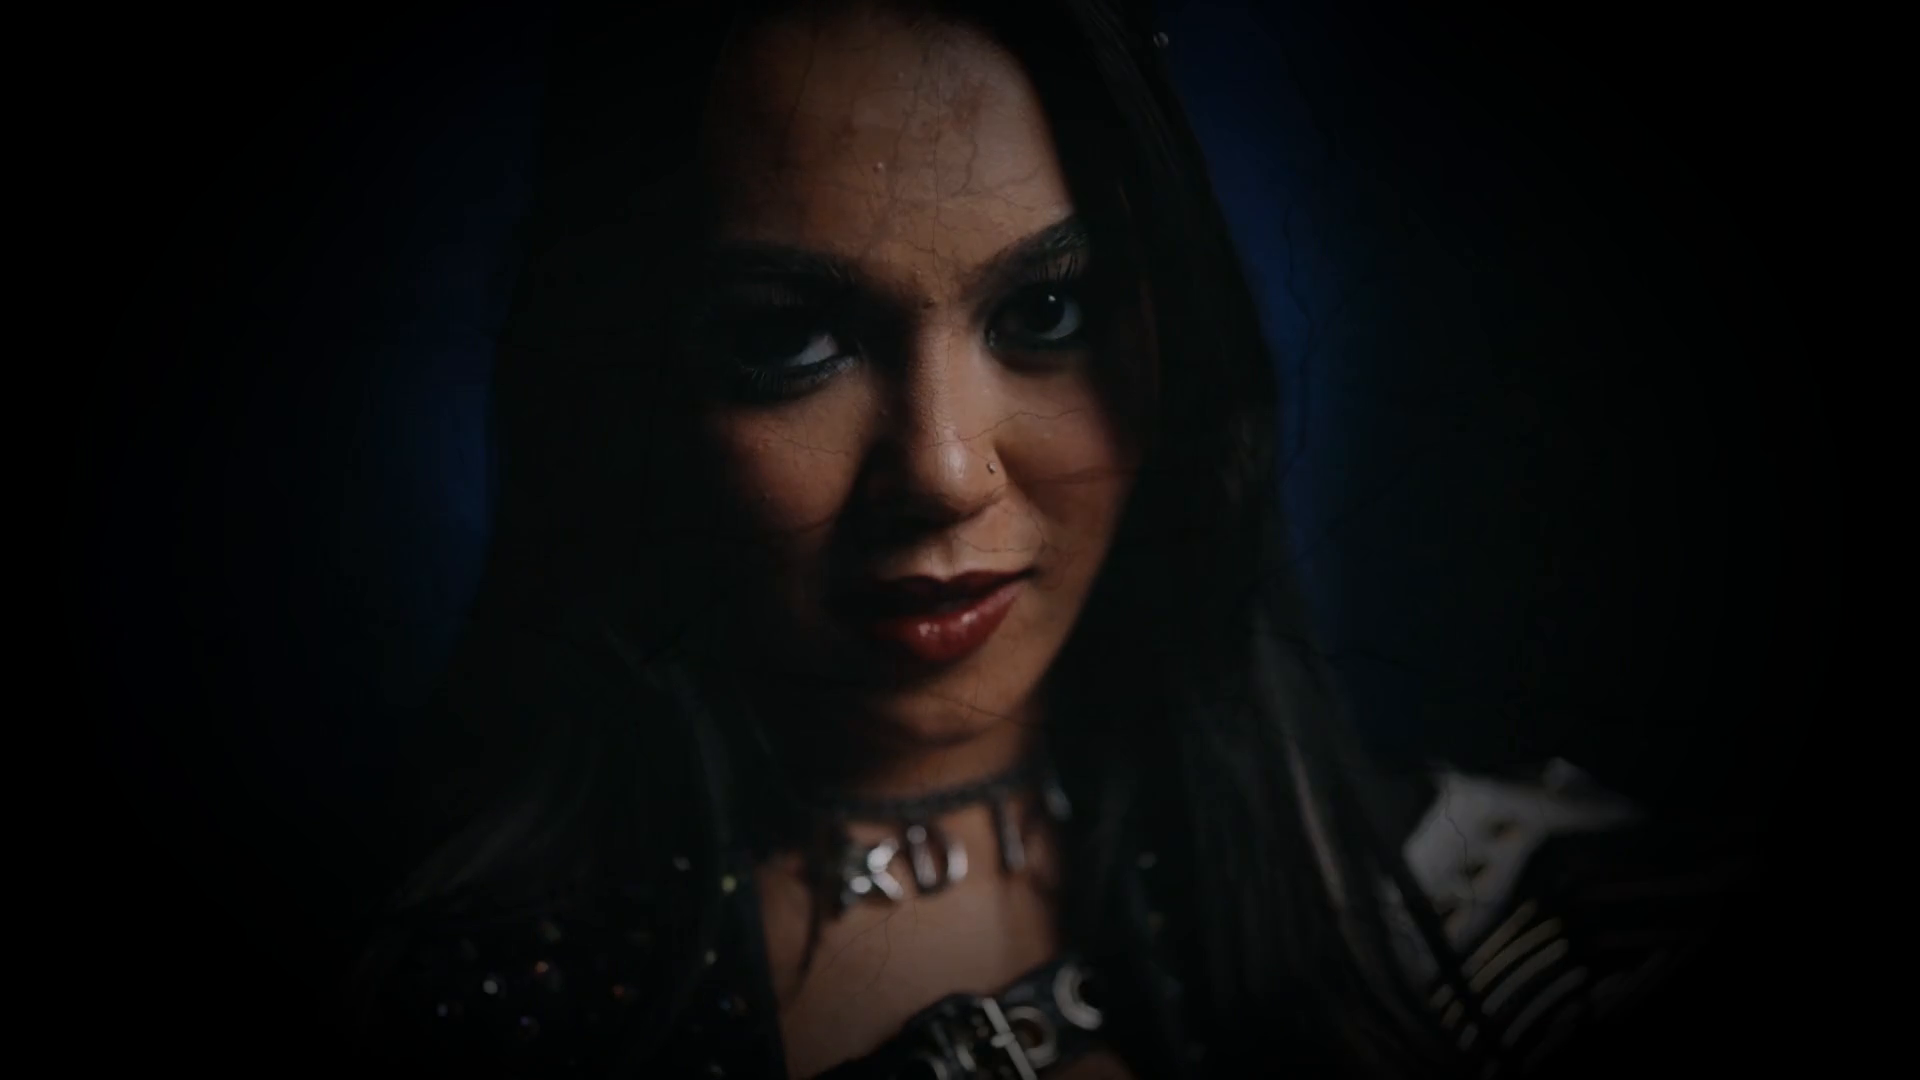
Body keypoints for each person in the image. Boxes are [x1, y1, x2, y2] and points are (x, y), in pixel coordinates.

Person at [354, 2, 1742, 1076]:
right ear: (622, 382)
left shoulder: (1494, 913)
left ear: (1179, 339)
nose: (944, 474)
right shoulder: (488, 1003)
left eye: (1048, 313)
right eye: (788, 338)